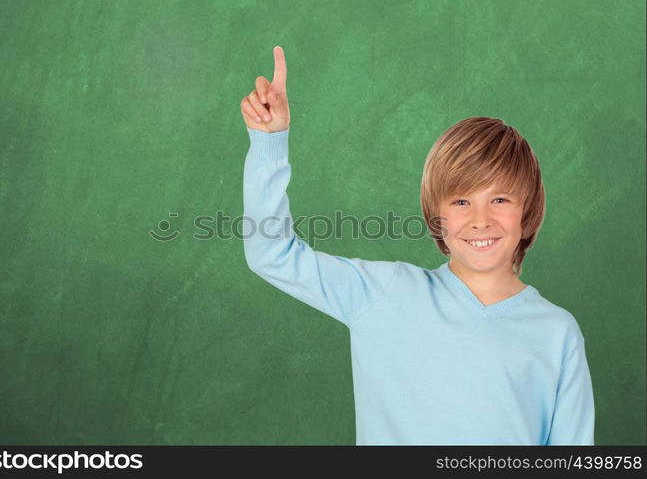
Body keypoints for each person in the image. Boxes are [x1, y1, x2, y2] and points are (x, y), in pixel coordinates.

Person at [239, 46, 595, 445]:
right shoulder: (383, 294)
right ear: (435, 216)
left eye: (500, 199)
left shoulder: (557, 334)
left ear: (527, 209)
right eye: (461, 201)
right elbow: (272, 254)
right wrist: (269, 144)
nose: (481, 219)